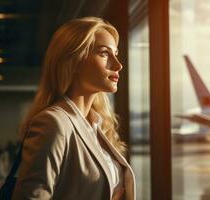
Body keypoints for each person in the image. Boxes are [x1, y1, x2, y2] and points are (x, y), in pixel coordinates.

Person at [11, 17, 136, 200]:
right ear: (74, 61)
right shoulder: (53, 123)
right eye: (104, 53)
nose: (118, 65)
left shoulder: (96, 125)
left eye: (115, 53)